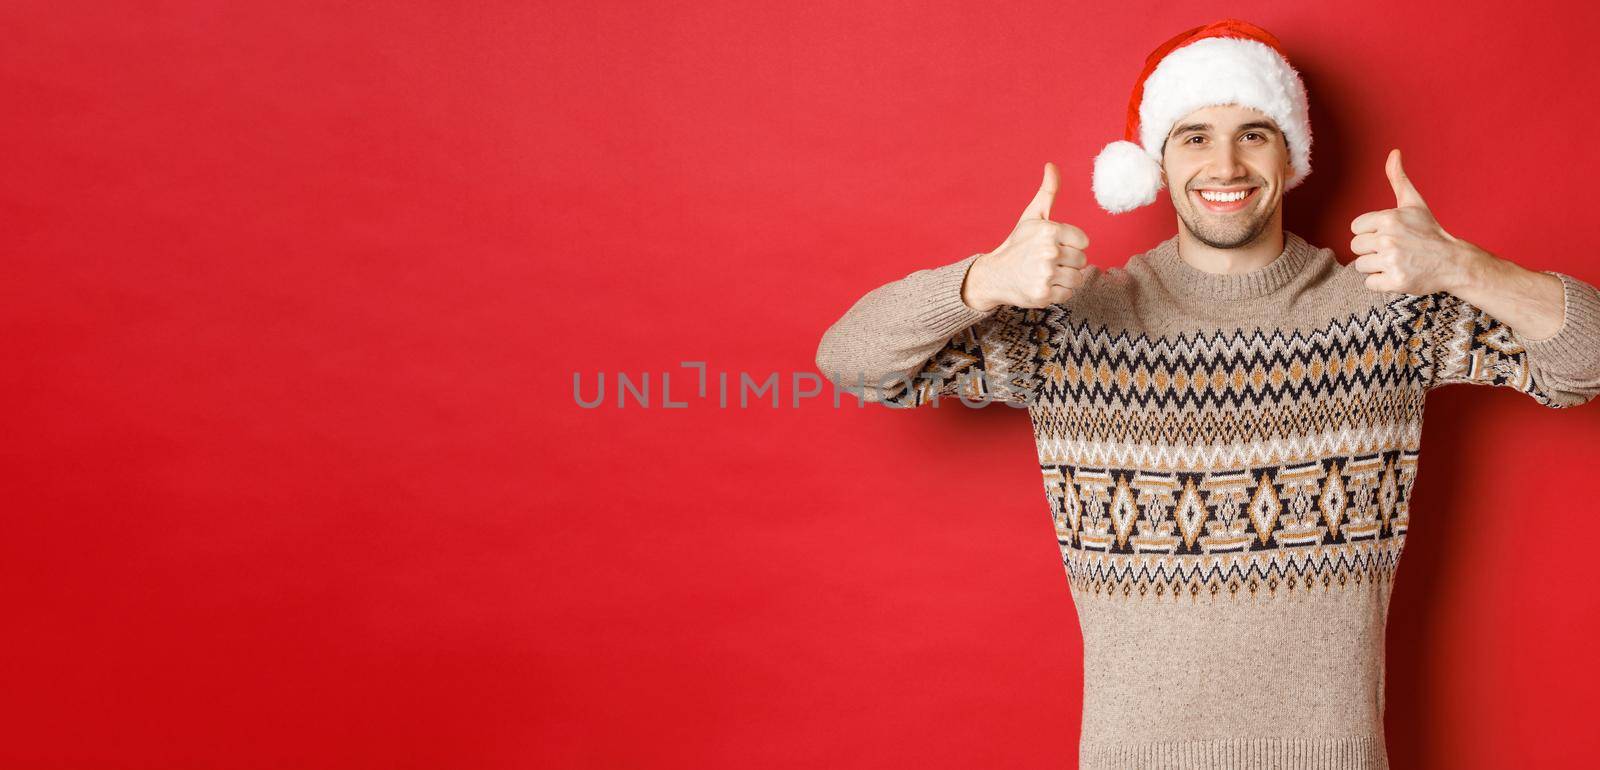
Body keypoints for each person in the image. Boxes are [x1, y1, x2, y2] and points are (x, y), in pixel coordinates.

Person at [813, 18, 1600, 769]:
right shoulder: (1074, 325)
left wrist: (1465, 269)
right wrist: (983, 281)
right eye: (1195, 136)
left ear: (1289, 155)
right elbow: (853, 360)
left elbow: (1585, 362)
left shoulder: (1388, 309)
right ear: (1156, 162)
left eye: (1252, 133)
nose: (1225, 166)